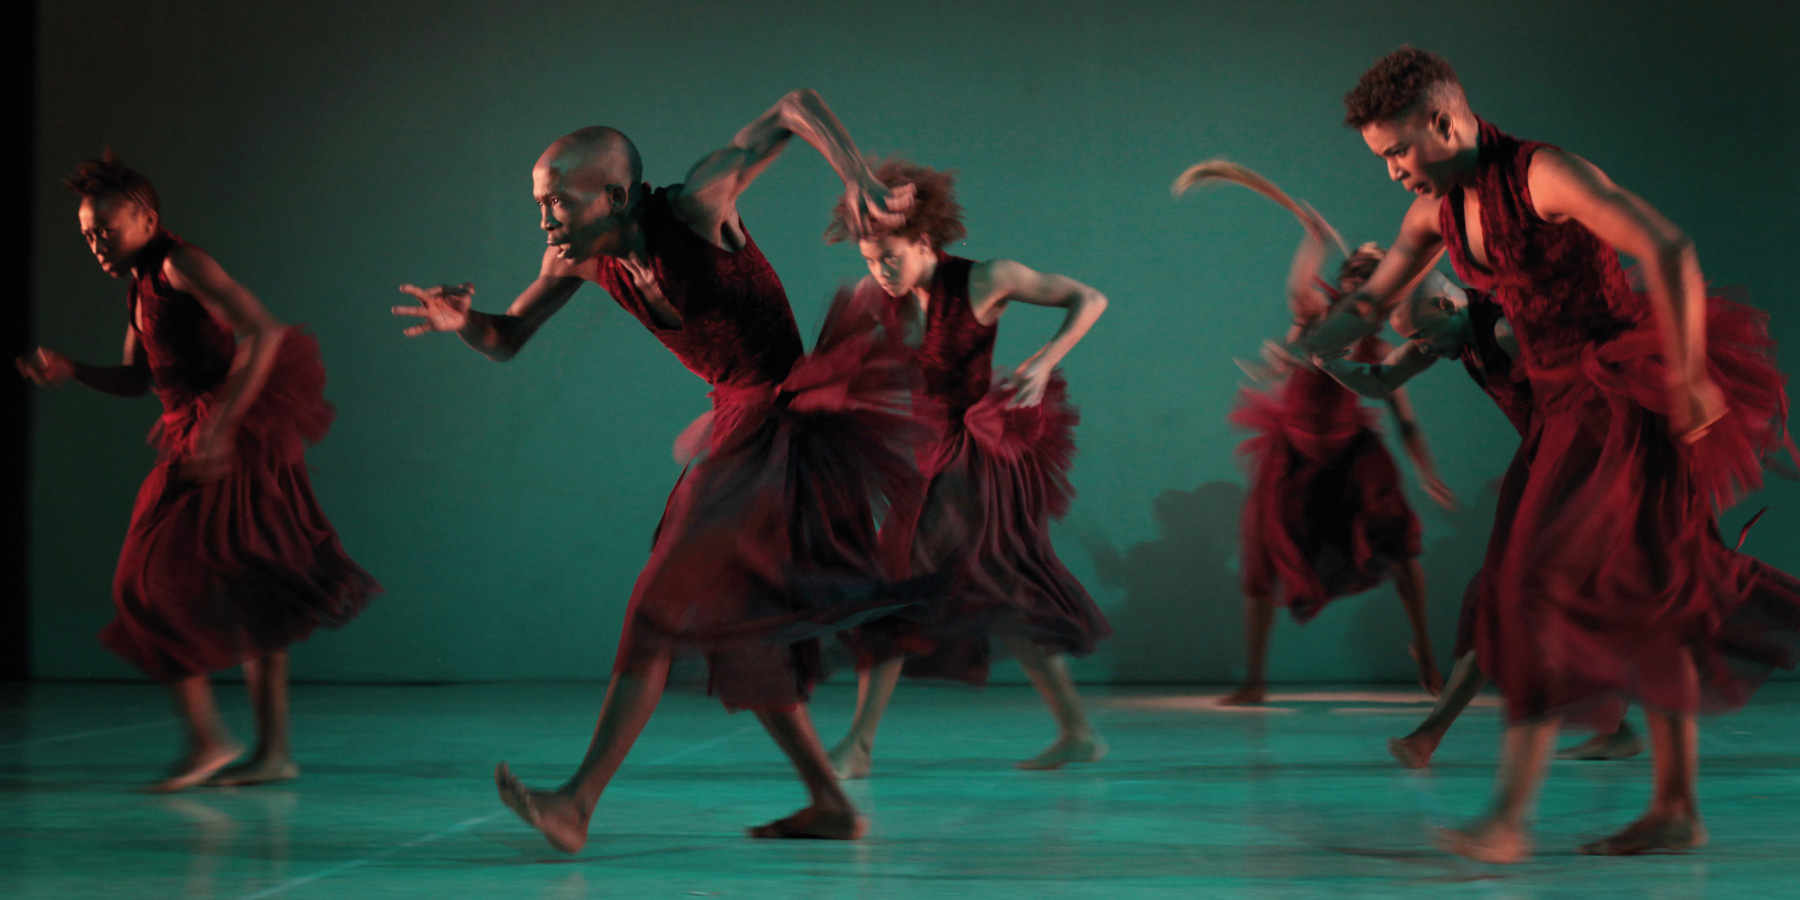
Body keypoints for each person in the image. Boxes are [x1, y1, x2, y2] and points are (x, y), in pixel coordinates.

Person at [1298, 46, 1800, 862]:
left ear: (1444, 121)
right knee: (1645, 594)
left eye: (1398, 151)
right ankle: (1675, 809)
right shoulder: (1434, 213)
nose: (1392, 172)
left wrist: (1688, 378)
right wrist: (1307, 347)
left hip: (1622, 400)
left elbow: (1667, 249)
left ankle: (1507, 820)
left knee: (1534, 587)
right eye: (1381, 158)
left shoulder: (1544, 175)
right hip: (1561, 414)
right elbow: (1374, 298)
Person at [393, 91, 929, 851]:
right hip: (739, 431)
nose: (543, 217)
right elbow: (507, 338)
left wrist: (859, 179)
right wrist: (462, 324)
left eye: (555, 200)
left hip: (789, 425)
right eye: (538, 202)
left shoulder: (696, 207)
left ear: (612, 195)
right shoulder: (576, 257)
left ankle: (577, 804)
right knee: (737, 628)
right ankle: (830, 802)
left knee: (657, 610)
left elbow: (791, 108)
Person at [19, 151, 378, 792]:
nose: (97, 243)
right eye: (87, 234)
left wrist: (221, 427)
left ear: (146, 217)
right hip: (199, 436)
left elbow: (263, 332)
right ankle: (255, 749)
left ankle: (223, 743)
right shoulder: (139, 285)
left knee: (163, 581)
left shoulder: (182, 262)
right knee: (248, 587)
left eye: (107, 228)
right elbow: (139, 379)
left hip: (232, 439)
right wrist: (73, 370)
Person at [824, 160, 1111, 777]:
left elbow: (1090, 299)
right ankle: (1079, 732)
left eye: (890, 256)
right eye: (871, 259)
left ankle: (858, 746)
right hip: (926, 462)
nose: (881, 270)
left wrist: (1044, 357)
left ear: (924, 239)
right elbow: (856, 368)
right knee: (999, 599)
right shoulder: (882, 299)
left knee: (904, 586)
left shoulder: (987, 279)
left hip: (977, 463)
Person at [1178, 162, 1450, 705]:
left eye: (1376, 269)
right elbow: (1300, 284)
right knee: (1262, 554)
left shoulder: (1376, 336)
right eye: (1357, 267)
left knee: (1398, 544)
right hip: (1294, 452)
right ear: (1345, 275)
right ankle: (1254, 680)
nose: (1364, 275)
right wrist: (1313, 238)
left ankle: (1425, 651)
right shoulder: (1315, 311)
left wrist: (1428, 474)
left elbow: (1405, 416)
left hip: (1351, 454)